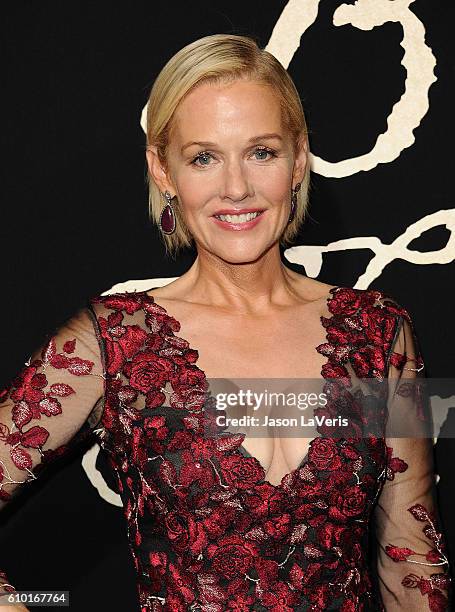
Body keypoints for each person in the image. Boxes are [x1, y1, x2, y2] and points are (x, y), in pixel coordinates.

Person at [0, 33, 451, 611]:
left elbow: (413, 562)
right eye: (204, 157)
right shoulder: (114, 344)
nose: (236, 188)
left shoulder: (377, 333)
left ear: (299, 158)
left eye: (261, 151)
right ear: (163, 170)